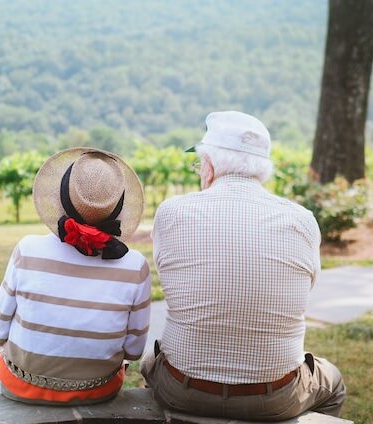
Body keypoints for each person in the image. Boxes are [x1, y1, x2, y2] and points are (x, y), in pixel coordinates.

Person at [141, 111, 346, 421]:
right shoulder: (302, 220)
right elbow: (307, 285)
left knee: (149, 363)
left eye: (199, 163)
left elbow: (171, 276)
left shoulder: (172, 212)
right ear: (262, 169)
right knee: (334, 382)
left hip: (182, 389)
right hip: (276, 396)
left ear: (208, 165)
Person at [0, 147, 151, 405]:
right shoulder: (135, 265)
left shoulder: (27, 249)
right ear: (117, 207)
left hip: (21, 385)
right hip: (99, 391)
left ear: (61, 197)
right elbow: (134, 351)